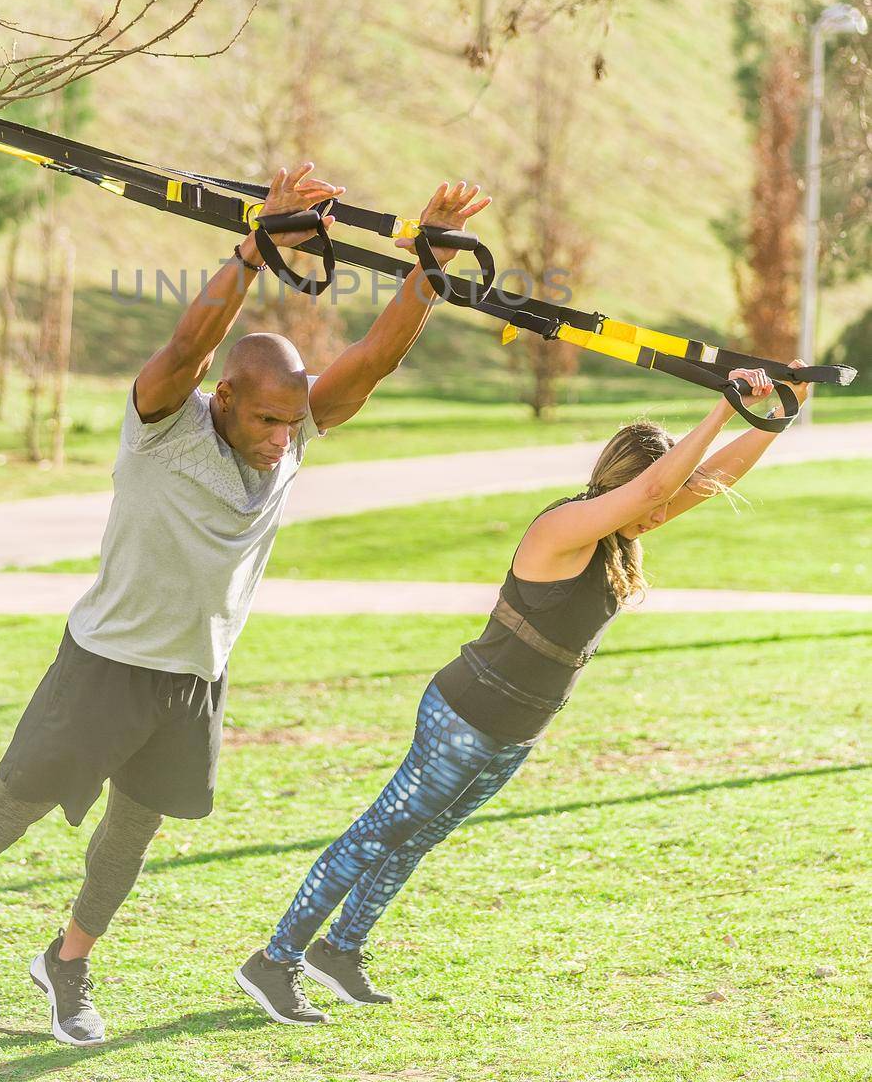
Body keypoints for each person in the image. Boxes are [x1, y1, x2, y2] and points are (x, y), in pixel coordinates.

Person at [0, 163, 489, 1067]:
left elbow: (373, 359)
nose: (285, 440)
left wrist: (427, 268)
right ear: (226, 401)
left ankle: (67, 965)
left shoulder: (294, 435)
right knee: (3, 816)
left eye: (293, 424)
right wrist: (252, 251)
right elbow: (189, 342)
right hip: (104, 664)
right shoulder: (162, 422)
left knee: (131, 836)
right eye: (270, 421)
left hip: (193, 677)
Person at [235, 359, 809, 1024]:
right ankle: (273, 962)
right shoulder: (564, 528)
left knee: (416, 840)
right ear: (626, 486)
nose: (662, 511)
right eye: (653, 498)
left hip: (514, 730)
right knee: (377, 835)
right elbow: (664, 481)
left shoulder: (621, 531)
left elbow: (709, 479)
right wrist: (723, 405)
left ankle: (339, 951)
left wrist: (781, 409)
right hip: (464, 715)